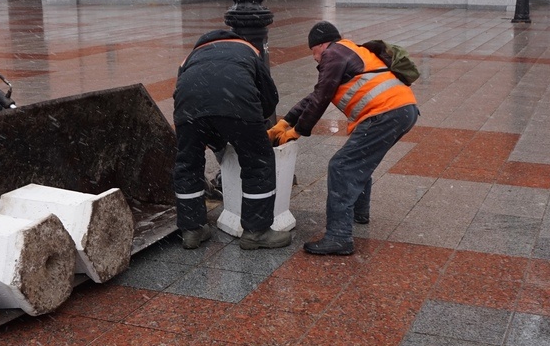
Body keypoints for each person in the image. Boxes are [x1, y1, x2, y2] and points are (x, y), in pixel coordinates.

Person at [269, 21, 419, 256]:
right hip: (401, 110)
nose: (314, 58)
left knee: (342, 166)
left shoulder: (334, 53)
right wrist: (285, 122)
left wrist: (298, 131)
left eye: (313, 51)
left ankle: (339, 236)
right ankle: (359, 213)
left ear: (321, 45)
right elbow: (315, 95)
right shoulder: (350, 51)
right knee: (358, 162)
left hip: (385, 113)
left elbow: (321, 97)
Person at [172, 29, 292, 250]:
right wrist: (255, 124)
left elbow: (181, 91)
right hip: (238, 104)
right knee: (258, 161)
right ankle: (256, 232)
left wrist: (210, 132)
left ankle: (192, 230)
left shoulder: (191, 56)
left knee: (187, 164)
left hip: (188, 109)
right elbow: (269, 96)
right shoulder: (247, 49)